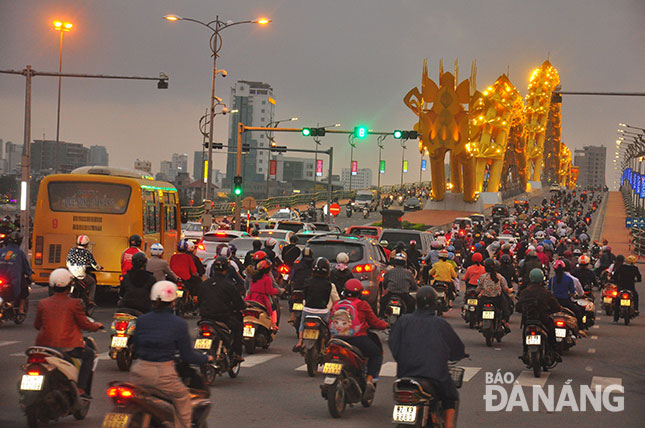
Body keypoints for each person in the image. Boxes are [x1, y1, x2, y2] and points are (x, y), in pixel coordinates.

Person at [131, 281, 211, 428]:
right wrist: (206, 358)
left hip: (139, 371)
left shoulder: (142, 320)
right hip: (162, 375)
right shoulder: (178, 323)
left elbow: (135, 348)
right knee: (183, 399)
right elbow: (187, 355)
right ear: (173, 302)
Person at [389, 286, 466, 428]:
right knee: (451, 397)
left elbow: (393, 344)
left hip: (406, 375)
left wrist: (403, 358)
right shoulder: (440, 324)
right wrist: (458, 355)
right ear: (435, 304)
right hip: (435, 376)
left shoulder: (403, 321)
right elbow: (457, 348)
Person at [34, 268, 103, 398]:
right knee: (89, 355)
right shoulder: (74, 303)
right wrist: (96, 326)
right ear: (69, 285)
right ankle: (81, 389)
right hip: (68, 347)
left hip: (45, 347)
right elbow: (84, 324)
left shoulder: (42, 303)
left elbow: (37, 325)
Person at [330, 279, 387, 401]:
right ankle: (370, 381)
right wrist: (385, 325)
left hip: (336, 338)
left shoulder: (337, 304)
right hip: (356, 339)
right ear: (360, 293)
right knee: (376, 353)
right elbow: (375, 322)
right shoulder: (362, 305)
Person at [199, 256, 246, 363]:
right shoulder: (229, 285)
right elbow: (238, 303)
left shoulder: (205, 284)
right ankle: (237, 354)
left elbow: (199, 300)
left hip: (205, 317)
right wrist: (242, 307)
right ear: (226, 269)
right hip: (223, 318)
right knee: (238, 326)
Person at [292, 257, 338, 352]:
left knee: (302, 324)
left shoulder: (307, 281)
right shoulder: (328, 284)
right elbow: (326, 298)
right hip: (323, 311)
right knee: (331, 326)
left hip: (308, 310)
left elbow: (305, 295)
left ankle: (300, 342)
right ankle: (331, 343)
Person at [516, 268, 562, 361]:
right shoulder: (546, 293)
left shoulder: (525, 292)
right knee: (552, 331)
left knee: (525, 334)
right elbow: (556, 306)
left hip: (528, 320)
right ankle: (555, 351)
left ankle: (525, 352)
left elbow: (518, 307)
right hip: (543, 319)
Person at [475, 258, 513, 332]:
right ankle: (505, 321)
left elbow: (478, 288)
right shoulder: (499, 277)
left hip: (485, 298)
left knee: (478, 307)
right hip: (497, 299)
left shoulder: (483, 277)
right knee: (506, 306)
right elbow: (505, 288)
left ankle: (478, 322)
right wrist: (511, 290)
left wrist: (479, 293)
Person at [0, 231, 32, 314]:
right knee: (24, 290)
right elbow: (26, 267)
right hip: (12, 278)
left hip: (2, 277)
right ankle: (21, 309)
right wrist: (29, 273)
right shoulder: (20, 253)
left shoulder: (1, 251)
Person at [66, 234, 101, 305]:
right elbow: (94, 265)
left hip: (70, 273)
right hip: (80, 274)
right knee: (92, 283)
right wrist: (99, 268)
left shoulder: (71, 250)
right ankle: (90, 300)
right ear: (86, 244)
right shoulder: (87, 253)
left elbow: (67, 262)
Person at [246, 259, 282, 328]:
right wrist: (277, 291)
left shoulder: (254, 277)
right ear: (268, 270)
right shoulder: (267, 279)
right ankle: (273, 325)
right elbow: (269, 291)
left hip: (251, 298)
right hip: (262, 300)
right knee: (273, 309)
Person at [548, 260, 584, 326]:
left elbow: (549, 291)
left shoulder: (552, 279)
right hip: (566, 302)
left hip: (555, 302)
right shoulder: (569, 279)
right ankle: (581, 328)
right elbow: (572, 293)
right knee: (578, 311)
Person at [612, 255, 641, 320]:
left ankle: (616, 318)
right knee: (635, 297)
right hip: (631, 288)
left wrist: (615, 281)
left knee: (617, 301)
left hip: (621, 287)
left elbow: (615, 275)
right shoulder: (635, 268)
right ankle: (636, 309)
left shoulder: (621, 267)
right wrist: (637, 280)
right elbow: (639, 278)